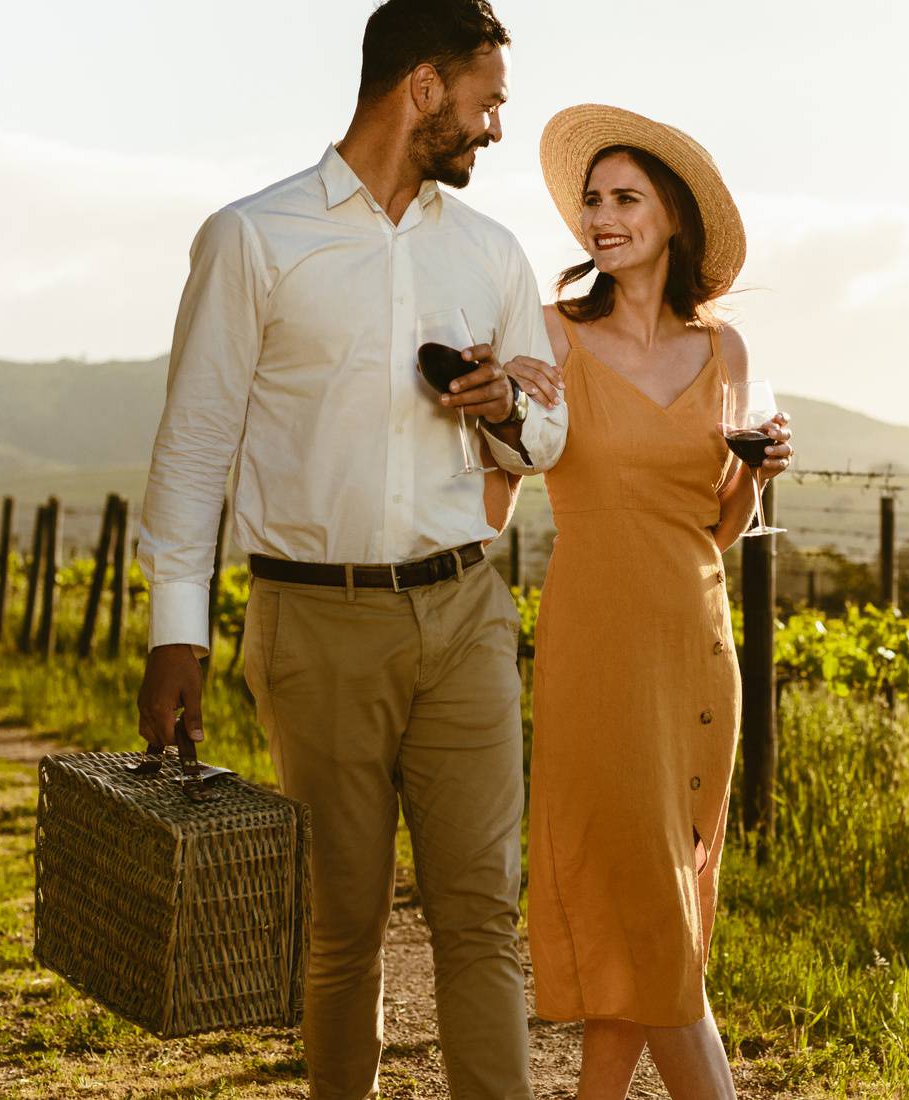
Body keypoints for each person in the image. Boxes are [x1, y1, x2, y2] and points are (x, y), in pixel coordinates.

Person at [132, 2, 564, 1097]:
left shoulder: (492, 251)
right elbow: (192, 449)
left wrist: (503, 402)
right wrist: (174, 634)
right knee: (344, 921)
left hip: (466, 608)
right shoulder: (254, 237)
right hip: (312, 622)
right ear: (423, 88)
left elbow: (550, 432)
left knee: (482, 916)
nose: (496, 129)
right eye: (487, 101)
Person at [503, 105, 794, 1100]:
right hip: (597, 644)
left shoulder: (729, 354)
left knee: (660, 899)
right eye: (593, 200)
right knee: (650, 905)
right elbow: (508, 457)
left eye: (625, 198)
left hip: (699, 651)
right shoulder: (549, 336)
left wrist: (757, 476)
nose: (602, 217)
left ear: (672, 217)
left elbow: (710, 529)